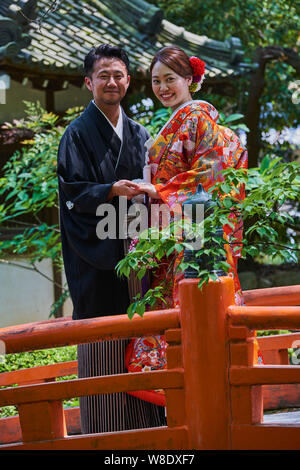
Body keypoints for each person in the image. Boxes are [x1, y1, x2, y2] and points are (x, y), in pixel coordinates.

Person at [57, 44, 166, 433]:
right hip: (97, 257)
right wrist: (110, 192)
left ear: (128, 81)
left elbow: (158, 185)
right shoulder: (77, 134)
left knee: (141, 332)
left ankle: (150, 429)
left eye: (118, 74)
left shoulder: (139, 133)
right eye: (102, 75)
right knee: (104, 338)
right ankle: (105, 434)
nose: (111, 82)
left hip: (137, 253)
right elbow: (72, 193)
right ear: (89, 83)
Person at [136, 45, 248, 308]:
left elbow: (211, 174)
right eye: (156, 81)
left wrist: (160, 191)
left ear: (189, 80)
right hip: (170, 227)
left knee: (188, 301)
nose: (163, 87)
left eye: (170, 79)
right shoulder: (179, 119)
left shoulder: (196, 118)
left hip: (192, 231)